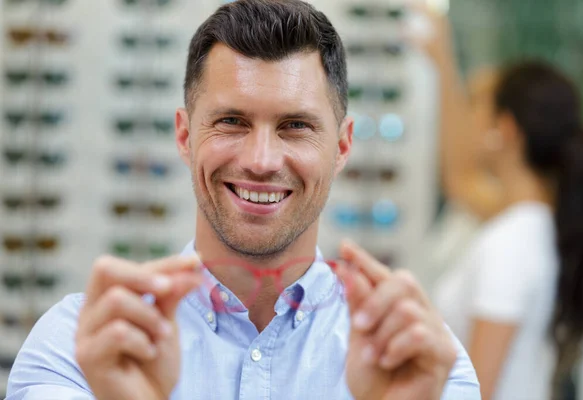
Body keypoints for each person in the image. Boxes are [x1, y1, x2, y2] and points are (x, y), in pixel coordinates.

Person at [6, 1, 480, 399]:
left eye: (295, 126)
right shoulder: (74, 350)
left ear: (341, 146)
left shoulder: (423, 370)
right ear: (185, 135)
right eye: (232, 121)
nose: (261, 159)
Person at [406, 4, 583, 400]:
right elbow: (459, 178)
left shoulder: (512, 241)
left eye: (479, 106)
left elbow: (478, 390)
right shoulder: (536, 222)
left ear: (505, 128)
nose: (469, 118)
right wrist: (443, 62)